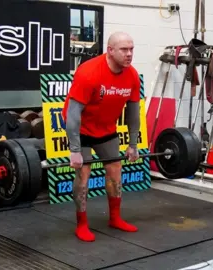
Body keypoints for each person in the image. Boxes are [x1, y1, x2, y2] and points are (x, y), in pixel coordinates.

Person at [62, 32, 141, 242]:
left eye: (131, 49)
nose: (129, 54)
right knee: (83, 174)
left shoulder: (132, 75)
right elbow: (72, 113)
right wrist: (75, 150)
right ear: (110, 50)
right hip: (81, 128)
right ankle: (82, 224)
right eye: (124, 49)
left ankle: (115, 218)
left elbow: (133, 113)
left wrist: (133, 144)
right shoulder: (89, 73)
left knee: (115, 171)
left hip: (106, 130)